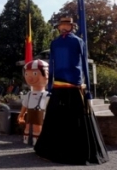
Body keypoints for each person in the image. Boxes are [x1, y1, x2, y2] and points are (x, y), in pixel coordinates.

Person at [34, 17, 109, 165]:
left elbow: (84, 63)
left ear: (71, 26)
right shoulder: (54, 43)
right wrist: (50, 87)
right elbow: (52, 64)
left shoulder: (78, 42)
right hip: (58, 85)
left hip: (74, 85)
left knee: (77, 118)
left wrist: (86, 88)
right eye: (61, 24)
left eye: (66, 24)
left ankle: (76, 151)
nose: (63, 27)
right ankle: (52, 150)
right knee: (55, 118)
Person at [17, 59, 49, 146]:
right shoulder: (29, 94)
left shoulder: (47, 95)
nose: (29, 77)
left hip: (40, 113)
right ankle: (27, 140)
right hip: (30, 113)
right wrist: (21, 114)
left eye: (35, 73)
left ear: (46, 74)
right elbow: (24, 105)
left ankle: (37, 142)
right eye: (27, 74)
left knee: (37, 128)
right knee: (28, 127)